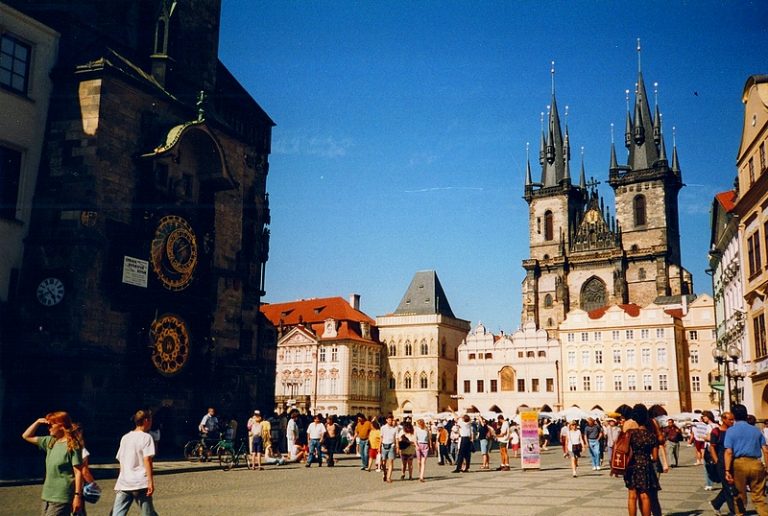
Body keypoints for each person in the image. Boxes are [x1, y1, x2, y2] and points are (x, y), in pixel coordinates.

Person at [22, 411, 84, 516]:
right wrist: (37, 422)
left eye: (51, 425)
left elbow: (78, 472)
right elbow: (26, 436)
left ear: (61, 426)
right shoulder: (50, 442)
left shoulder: (72, 445)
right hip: (47, 495)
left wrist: (77, 496)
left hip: (62, 496)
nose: (48, 428)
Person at [723, 403, 768, 516]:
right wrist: (767, 467)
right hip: (756, 463)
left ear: (734, 415)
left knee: (739, 495)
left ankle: (740, 514)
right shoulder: (756, 430)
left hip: (739, 464)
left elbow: (729, 452)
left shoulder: (731, 431)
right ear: (746, 415)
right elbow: (765, 450)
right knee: (759, 495)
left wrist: (727, 470)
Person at [112, 409, 157, 516]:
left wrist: (120, 479)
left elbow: (121, 460)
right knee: (147, 513)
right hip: (140, 483)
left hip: (124, 482)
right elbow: (147, 460)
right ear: (146, 420)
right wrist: (150, 482)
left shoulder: (125, 438)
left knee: (117, 514)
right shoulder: (146, 437)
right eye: (151, 420)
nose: (151, 423)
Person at [623, 404, 660, 516]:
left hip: (632, 466)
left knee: (632, 496)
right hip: (646, 466)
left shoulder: (630, 434)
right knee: (645, 496)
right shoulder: (651, 436)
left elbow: (625, 450)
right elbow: (655, 457)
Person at [709, 411, 735, 515]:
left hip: (732, 461)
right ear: (723, 419)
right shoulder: (716, 431)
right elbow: (712, 447)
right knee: (729, 487)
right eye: (730, 419)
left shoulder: (733, 431)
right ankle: (734, 511)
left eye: (733, 419)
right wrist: (716, 461)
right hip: (721, 462)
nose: (732, 421)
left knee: (731, 486)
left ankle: (716, 503)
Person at [380, 414, 399, 483]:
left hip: (391, 445)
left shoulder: (395, 428)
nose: (390, 421)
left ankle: (388, 477)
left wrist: (397, 447)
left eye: (391, 420)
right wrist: (379, 446)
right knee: (383, 462)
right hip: (384, 445)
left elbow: (396, 438)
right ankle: (385, 472)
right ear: (386, 420)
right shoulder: (383, 428)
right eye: (389, 420)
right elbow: (381, 437)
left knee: (390, 462)